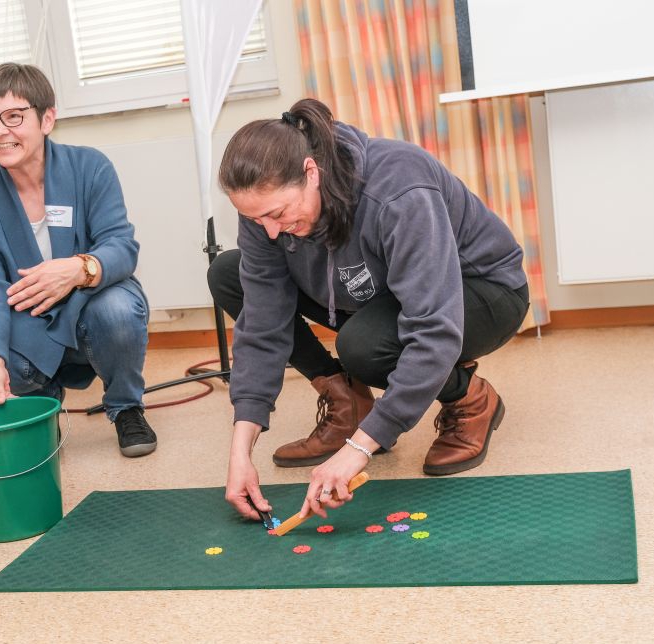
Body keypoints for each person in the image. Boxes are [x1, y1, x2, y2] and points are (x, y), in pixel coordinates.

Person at [209, 98, 529, 522]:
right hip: (376, 291)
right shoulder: (265, 213)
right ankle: (347, 399)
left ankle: (469, 397)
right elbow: (262, 324)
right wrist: (240, 451)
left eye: (277, 214)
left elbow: (433, 327)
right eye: (255, 219)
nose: (269, 229)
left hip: (482, 290)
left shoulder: (398, 187)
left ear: (310, 172)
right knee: (229, 273)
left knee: (364, 347)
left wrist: (360, 448)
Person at [0, 63, 157, 458]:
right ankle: (43, 407)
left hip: (88, 305)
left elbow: (120, 246)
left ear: (47, 118)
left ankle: (126, 406)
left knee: (118, 309)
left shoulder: (90, 167)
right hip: (25, 317)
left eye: (14, 117)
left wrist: (77, 269)